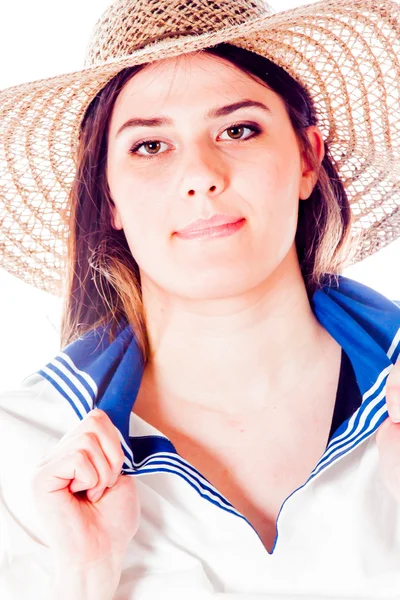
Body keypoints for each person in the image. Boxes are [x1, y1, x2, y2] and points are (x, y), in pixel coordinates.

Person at [0, 0, 400, 598]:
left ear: (307, 160)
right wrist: (84, 577)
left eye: (238, 129)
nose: (201, 176)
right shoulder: (21, 450)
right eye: (150, 146)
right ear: (107, 196)